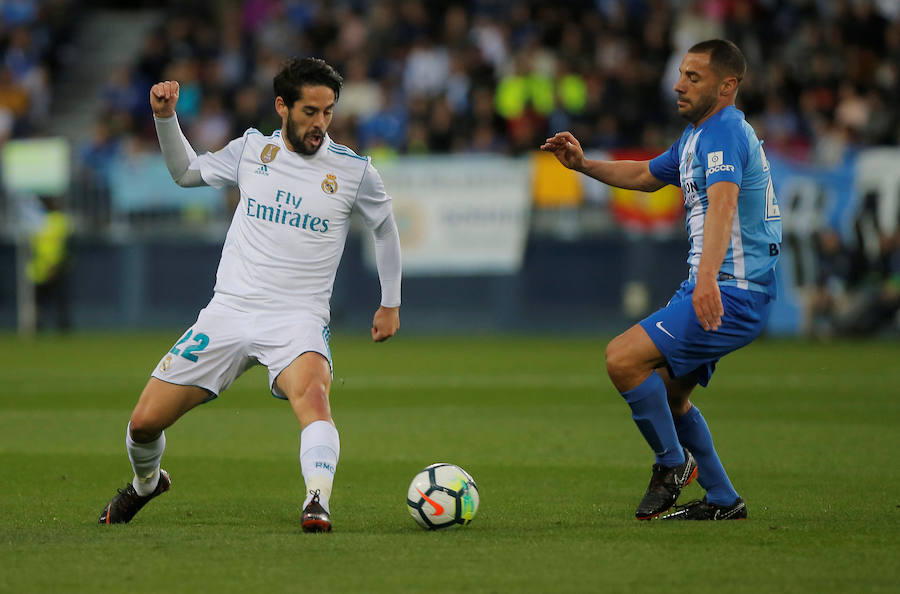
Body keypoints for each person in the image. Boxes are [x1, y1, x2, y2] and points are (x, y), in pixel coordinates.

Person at [98, 57, 402, 532]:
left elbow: (385, 229)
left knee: (314, 398)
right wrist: (165, 118)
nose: (320, 123)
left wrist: (390, 302)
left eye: (328, 112)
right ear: (282, 106)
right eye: (309, 112)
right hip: (229, 313)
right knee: (142, 425)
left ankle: (316, 501)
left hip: (297, 318)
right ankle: (146, 484)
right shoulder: (251, 151)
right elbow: (186, 173)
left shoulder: (353, 171)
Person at [541, 39, 781, 520]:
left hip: (732, 290)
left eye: (694, 77)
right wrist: (584, 165)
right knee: (670, 397)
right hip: (716, 285)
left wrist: (709, 277)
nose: (678, 84)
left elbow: (724, 204)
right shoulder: (698, 135)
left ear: (727, 85)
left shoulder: (726, 131)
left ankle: (672, 465)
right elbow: (646, 176)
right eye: (680, 74)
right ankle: (723, 500)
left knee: (622, 359)